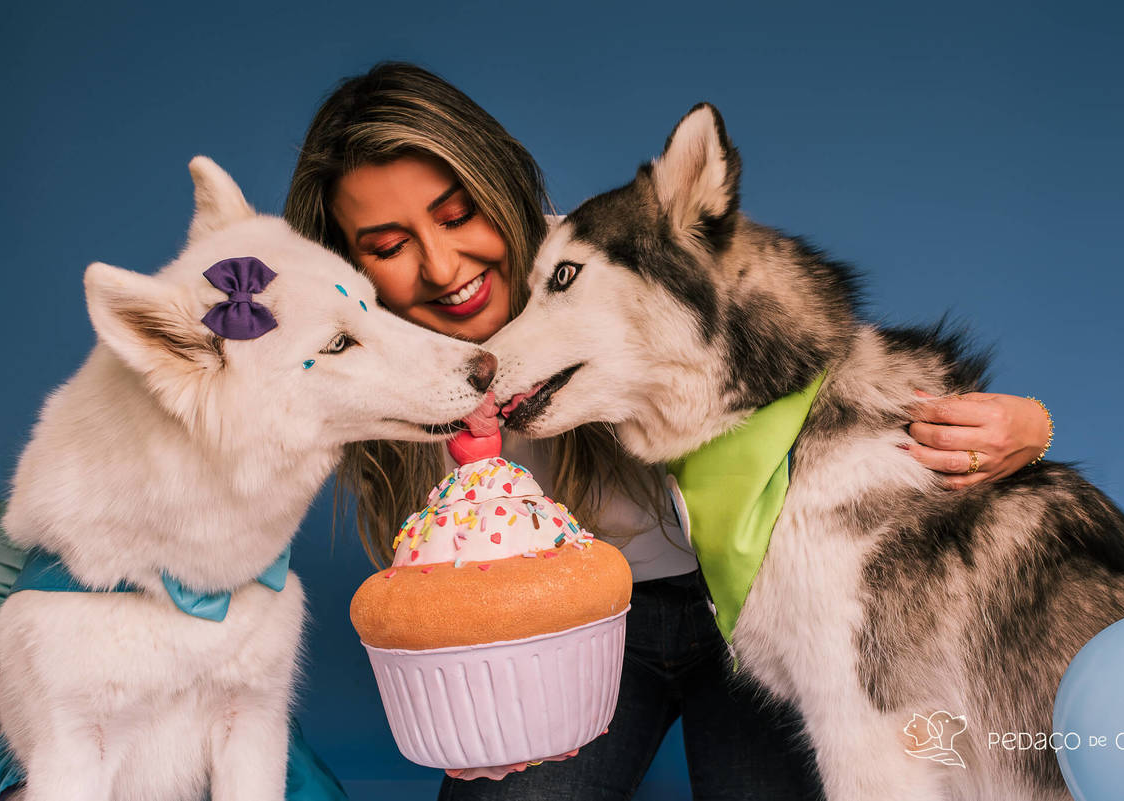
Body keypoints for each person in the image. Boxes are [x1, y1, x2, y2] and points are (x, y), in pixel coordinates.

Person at [283, 62, 1054, 800]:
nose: (445, 266)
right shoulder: (357, 361)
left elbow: (800, 365)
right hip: (584, 633)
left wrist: (1031, 426)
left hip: (746, 593)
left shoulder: (597, 256)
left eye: (457, 215)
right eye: (387, 245)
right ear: (345, 266)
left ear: (500, 190)